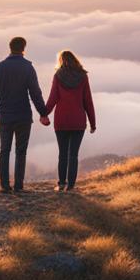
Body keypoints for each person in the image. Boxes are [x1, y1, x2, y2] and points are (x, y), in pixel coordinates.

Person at [0, 36, 48, 193]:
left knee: (4, 151)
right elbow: (35, 93)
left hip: (5, 117)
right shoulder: (28, 68)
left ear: (10, 47)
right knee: (21, 151)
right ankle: (19, 186)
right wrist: (43, 113)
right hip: (23, 116)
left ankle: (4, 186)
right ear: (24, 48)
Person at [42, 50, 96, 191]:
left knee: (63, 154)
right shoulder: (83, 77)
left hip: (62, 121)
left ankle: (61, 184)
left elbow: (52, 99)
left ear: (61, 61)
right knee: (73, 155)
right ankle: (71, 186)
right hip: (78, 121)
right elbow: (88, 101)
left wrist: (44, 113)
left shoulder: (58, 76)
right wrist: (93, 123)